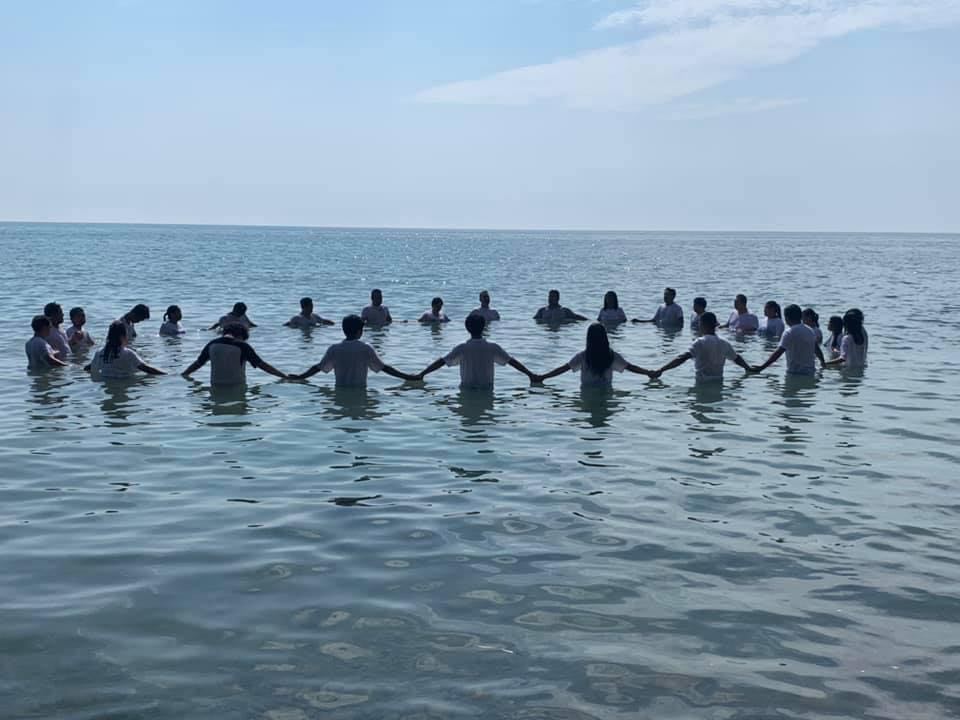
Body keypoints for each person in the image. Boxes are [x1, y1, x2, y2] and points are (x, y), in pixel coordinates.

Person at [294, 314, 417, 386]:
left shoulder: (334, 349)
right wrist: (407, 377)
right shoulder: (365, 348)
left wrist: (300, 377)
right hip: (360, 391)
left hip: (340, 391)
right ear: (360, 332)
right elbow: (384, 368)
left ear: (344, 330)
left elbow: (318, 368)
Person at [418, 314, 536, 388]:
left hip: (467, 389)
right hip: (487, 389)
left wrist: (422, 374)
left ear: (467, 328)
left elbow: (442, 362)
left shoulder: (462, 348)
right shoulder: (492, 347)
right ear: (484, 327)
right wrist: (530, 375)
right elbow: (511, 361)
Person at [535, 323, 654, 386]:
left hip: (587, 393)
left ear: (588, 339)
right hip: (606, 392)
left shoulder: (583, 356)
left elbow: (563, 369)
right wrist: (648, 373)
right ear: (605, 338)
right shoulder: (611, 356)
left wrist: (543, 377)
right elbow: (630, 367)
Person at [650, 312, 751, 383]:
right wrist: (748, 368)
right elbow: (737, 358)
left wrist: (661, 369)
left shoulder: (700, 342)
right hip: (718, 382)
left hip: (702, 383)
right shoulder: (724, 343)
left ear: (702, 324)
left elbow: (682, 358)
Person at [183, 323, 288, 384]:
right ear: (241, 335)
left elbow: (198, 363)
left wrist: (184, 374)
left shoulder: (212, 344)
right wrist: (284, 376)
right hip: (236, 386)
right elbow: (262, 365)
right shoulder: (242, 346)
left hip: (216, 385)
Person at [752, 304, 825, 375]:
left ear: (787, 317)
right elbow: (817, 349)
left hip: (794, 373)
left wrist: (762, 367)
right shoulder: (810, 330)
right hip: (811, 372)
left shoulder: (789, 332)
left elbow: (778, 353)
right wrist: (822, 362)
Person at [86, 321, 165, 378]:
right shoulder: (127, 353)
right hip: (124, 382)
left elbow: (90, 369)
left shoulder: (99, 353)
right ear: (122, 336)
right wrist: (167, 375)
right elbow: (147, 369)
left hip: (106, 384)